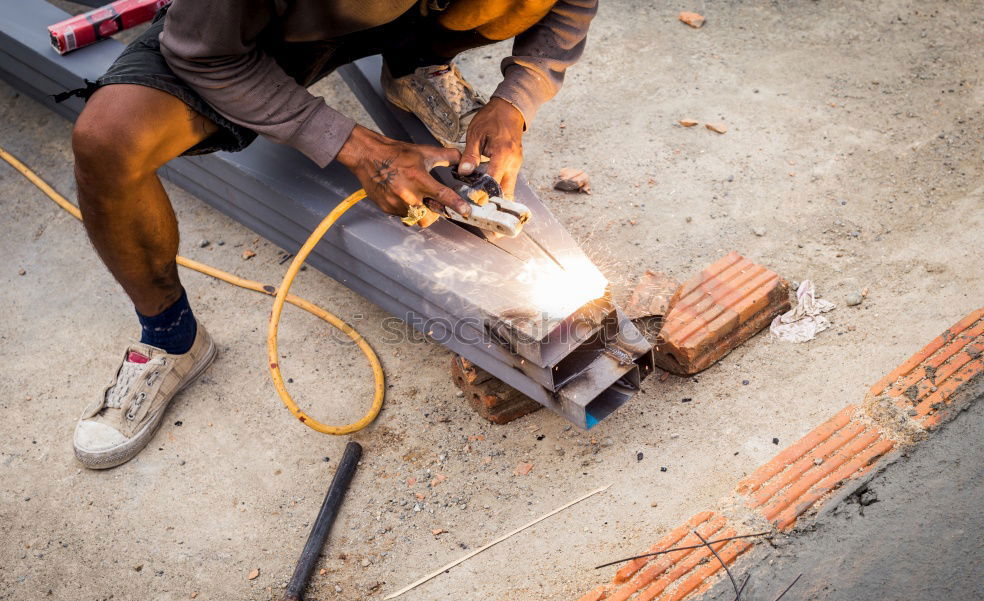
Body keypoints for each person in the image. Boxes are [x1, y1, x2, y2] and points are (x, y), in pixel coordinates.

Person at [69, 0, 597, 469]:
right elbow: (202, 52)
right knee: (107, 142)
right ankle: (172, 337)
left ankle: (416, 61)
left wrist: (517, 97)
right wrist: (359, 148)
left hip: (412, 14)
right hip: (263, 34)